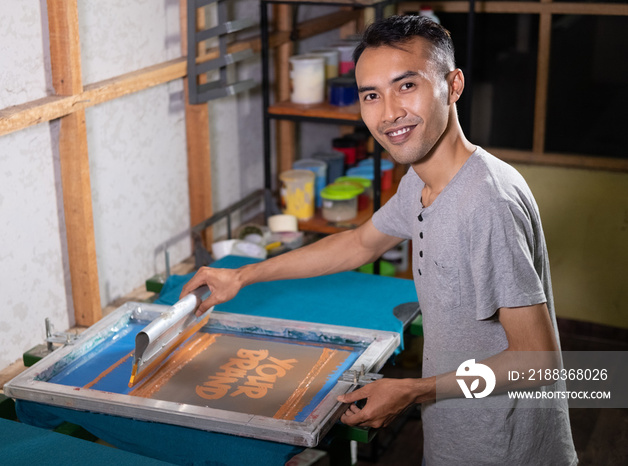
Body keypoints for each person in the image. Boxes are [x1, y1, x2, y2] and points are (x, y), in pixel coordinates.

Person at [181, 15, 577, 465]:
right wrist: (242, 276)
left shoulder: (487, 204)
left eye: (406, 86)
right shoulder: (421, 182)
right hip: (459, 432)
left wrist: (412, 390)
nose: (388, 113)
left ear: (454, 85)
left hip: (507, 447)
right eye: (372, 95)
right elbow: (359, 244)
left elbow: (536, 360)